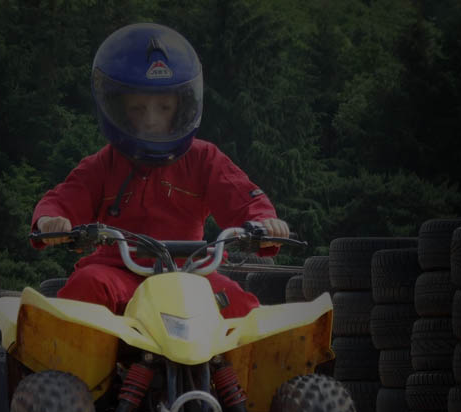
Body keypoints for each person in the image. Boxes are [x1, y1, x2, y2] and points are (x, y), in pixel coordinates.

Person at [31, 22, 289, 318]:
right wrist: (51, 220)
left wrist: (265, 223)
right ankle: (66, 366)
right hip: (118, 272)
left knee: (241, 307)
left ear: (182, 107)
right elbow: (65, 197)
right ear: (117, 109)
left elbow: (243, 197)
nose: (152, 120)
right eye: (138, 108)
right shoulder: (104, 164)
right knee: (86, 287)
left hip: (191, 274)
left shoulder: (204, 158)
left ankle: (232, 368)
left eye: (163, 107)